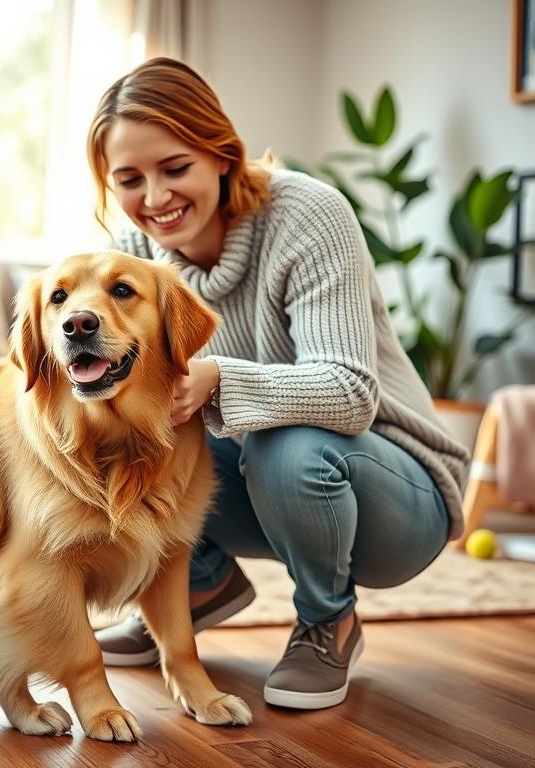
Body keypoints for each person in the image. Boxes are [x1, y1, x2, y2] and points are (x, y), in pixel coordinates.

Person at [86, 57, 471, 710]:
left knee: (282, 438)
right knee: (125, 432)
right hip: (276, 493)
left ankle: (330, 621)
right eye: (129, 179)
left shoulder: (306, 214)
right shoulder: (138, 258)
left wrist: (215, 378)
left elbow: (350, 393)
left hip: (398, 492)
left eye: (175, 168)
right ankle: (197, 586)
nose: (154, 198)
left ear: (220, 153)